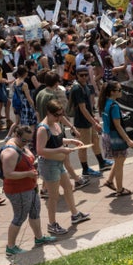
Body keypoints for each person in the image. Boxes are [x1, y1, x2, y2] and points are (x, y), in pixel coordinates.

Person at [35, 100, 91, 235]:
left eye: (61, 114)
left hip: (58, 164)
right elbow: (40, 150)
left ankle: (75, 214)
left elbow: (57, 140)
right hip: (49, 165)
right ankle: (52, 224)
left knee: (68, 187)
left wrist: (71, 141)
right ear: (48, 113)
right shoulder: (43, 129)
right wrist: (61, 150)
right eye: (57, 115)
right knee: (54, 196)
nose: (59, 117)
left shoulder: (56, 123)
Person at [0, 125, 56, 255]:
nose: (27, 143)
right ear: (17, 136)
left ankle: (39, 238)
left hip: (30, 186)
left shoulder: (21, 145)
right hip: (18, 190)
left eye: (29, 140)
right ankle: (11, 246)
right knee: (19, 217)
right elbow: (8, 174)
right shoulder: (10, 152)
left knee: (35, 211)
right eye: (25, 140)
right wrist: (28, 174)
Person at [69, 66, 112, 178]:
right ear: (77, 76)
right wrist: (94, 123)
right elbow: (82, 108)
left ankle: (102, 163)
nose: (84, 77)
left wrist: (93, 117)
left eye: (86, 75)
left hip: (89, 120)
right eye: (81, 75)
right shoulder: (77, 89)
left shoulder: (86, 86)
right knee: (83, 147)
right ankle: (85, 169)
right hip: (82, 123)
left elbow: (88, 106)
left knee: (95, 141)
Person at [98, 81, 133, 196]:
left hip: (107, 134)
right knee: (120, 163)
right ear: (112, 92)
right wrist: (128, 140)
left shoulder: (105, 102)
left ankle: (110, 181)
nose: (121, 92)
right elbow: (118, 125)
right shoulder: (114, 106)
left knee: (119, 160)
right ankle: (120, 189)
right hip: (115, 137)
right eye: (119, 90)